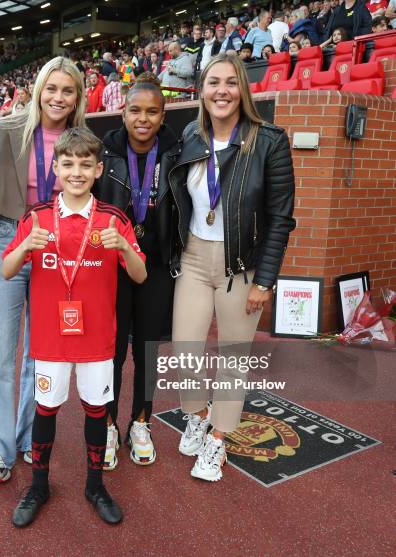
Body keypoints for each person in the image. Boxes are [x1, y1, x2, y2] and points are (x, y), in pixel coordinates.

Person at [6, 127, 147, 528]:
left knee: (96, 410)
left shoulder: (113, 219)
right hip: (50, 341)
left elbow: (139, 275)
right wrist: (24, 247)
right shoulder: (36, 218)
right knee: (45, 408)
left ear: (99, 169)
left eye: (86, 165)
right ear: (55, 167)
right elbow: (4, 269)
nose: (77, 172)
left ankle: (95, 485)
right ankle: (38, 485)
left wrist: (123, 247)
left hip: (97, 340)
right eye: (68, 163)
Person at [170, 52, 295, 482]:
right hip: (193, 256)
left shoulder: (270, 141)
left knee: (232, 358)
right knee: (185, 347)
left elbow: (280, 218)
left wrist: (266, 279)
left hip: (240, 263)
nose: (221, 91)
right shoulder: (190, 133)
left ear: (243, 89)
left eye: (230, 82)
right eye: (213, 83)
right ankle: (199, 413)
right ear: (201, 92)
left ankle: (218, 442)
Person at [0, 56, 87, 484]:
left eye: (68, 90)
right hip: (9, 236)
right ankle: (0, 444)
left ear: (77, 96)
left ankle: (27, 435)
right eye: (52, 88)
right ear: (38, 89)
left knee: (40, 351)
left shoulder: (82, 139)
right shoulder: (2, 130)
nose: (58, 98)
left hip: (58, 243)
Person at [93, 73, 179, 470]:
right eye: (135, 110)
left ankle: (141, 420)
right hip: (113, 265)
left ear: (163, 116)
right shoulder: (105, 153)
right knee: (110, 351)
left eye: (152, 111)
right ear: (122, 113)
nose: (143, 119)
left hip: (156, 265)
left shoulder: (175, 153)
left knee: (146, 350)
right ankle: (109, 423)